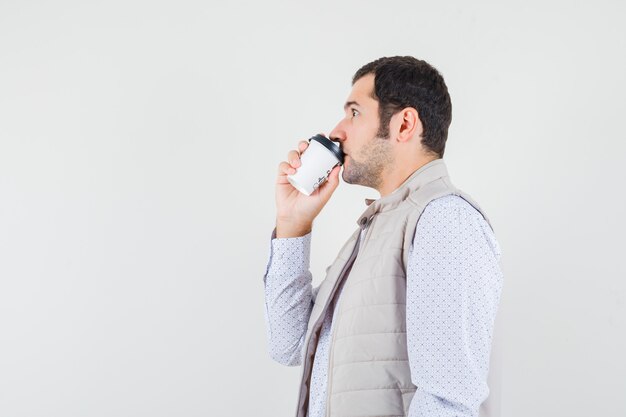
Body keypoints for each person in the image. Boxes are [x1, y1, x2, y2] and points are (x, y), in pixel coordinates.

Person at [262, 56, 504, 417]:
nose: (337, 131)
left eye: (354, 112)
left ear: (404, 124)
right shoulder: (374, 230)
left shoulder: (443, 219)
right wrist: (292, 223)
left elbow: (449, 399)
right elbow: (288, 344)